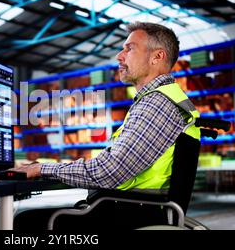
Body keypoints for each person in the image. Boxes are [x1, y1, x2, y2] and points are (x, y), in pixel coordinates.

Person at [11, 21, 200, 230]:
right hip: (137, 206)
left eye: (129, 48)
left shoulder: (157, 104)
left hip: (132, 212)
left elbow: (108, 172)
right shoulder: (165, 99)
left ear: (157, 56)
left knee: (27, 222)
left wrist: (41, 168)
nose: (119, 56)